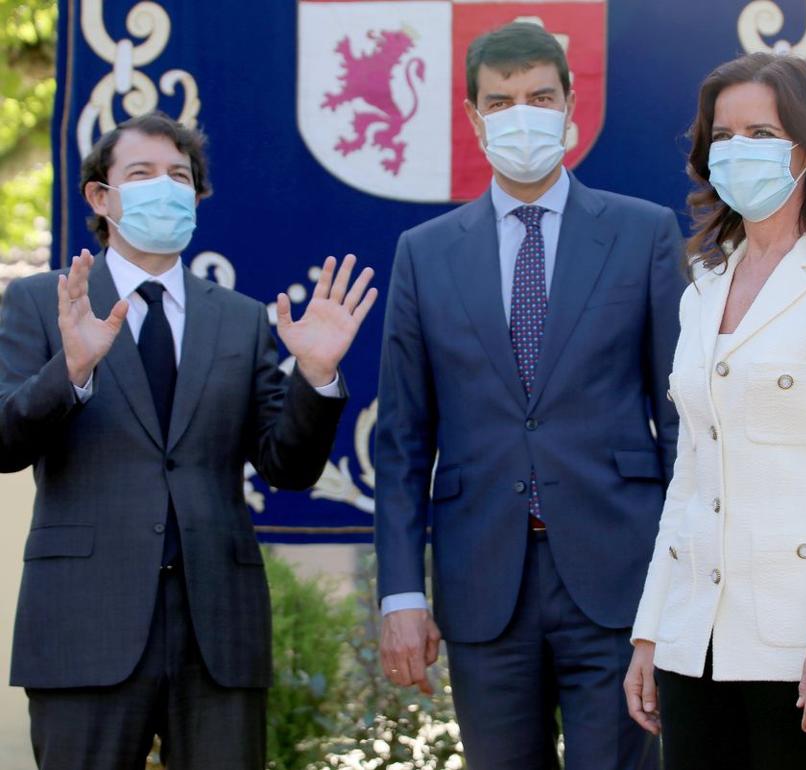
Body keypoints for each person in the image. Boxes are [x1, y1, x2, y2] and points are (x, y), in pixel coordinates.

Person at [0, 111, 376, 768]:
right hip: (82, 625)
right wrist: (72, 370)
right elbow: (5, 443)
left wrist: (315, 379)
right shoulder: (44, 302)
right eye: (142, 173)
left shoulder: (239, 319)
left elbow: (287, 467)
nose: (165, 188)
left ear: (197, 198)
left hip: (217, 631)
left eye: (179, 176)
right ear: (100, 197)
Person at [373, 21, 685, 770]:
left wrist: (684, 577)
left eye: (541, 97)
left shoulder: (643, 235)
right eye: (501, 101)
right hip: (483, 584)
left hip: (621, 581)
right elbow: (403, 443)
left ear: (570, 105)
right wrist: (401, 596)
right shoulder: (424, 253)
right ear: (474, 116)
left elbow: (683, 424)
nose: (522, 115)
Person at [624, 52, 806, 770]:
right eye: (723, 136)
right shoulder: (703, 287)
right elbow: (690, 478)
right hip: (698, 644)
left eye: (760, 133)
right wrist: (652, 631)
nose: (737, 150)